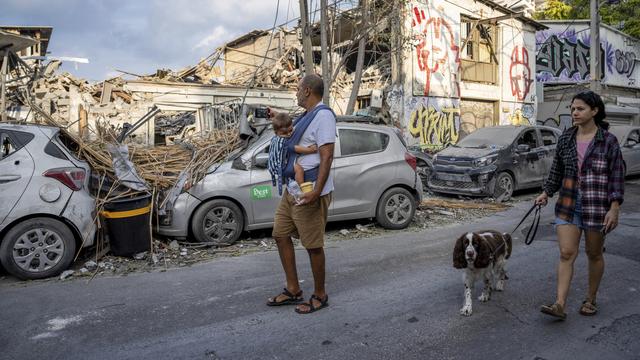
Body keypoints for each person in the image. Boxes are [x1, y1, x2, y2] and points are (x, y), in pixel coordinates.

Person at [535, 90, 624, 320]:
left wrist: (614, 208)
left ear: (594, 111)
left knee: (593, 253)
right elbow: (557, 170)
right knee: (566, 253)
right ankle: (560, 304)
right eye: (573, 108)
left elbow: (616, 175)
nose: (574, 112)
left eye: (580, 108)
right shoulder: (566, 138)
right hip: (568, 203)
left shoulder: (608, 141)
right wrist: (546, 192)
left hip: (597, 206)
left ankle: (590, 299)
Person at [266, 74, 336, 314]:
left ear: (307, 91)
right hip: (292, 189)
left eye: (297, 89)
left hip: (309, 191)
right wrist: (275, 115)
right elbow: (290, 133)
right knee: (280, 233)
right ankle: (294, 289)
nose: (295, 93)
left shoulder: (324, 116)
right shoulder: (306, 116)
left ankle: (320, 294)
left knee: (312, 245)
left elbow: (327, 155)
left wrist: (317, 191)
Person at [267, 112, 317, 196]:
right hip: (281, 166)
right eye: (284, 133)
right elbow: (295, 148)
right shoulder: (283, 141)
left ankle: (293, 184)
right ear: (276, 133)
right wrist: (310, 150)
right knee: (299, 169)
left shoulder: (275, 138)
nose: (289, 134)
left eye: (291, 130)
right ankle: (301, 188)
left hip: (276, 165)